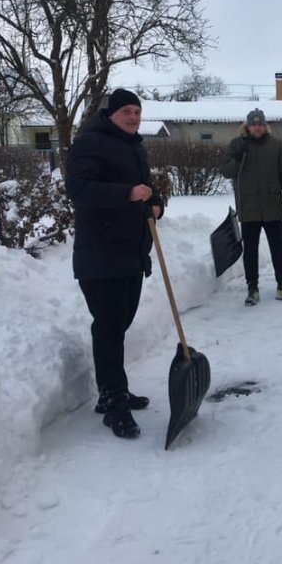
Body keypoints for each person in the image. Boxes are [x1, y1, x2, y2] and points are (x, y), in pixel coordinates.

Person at [65, 88, 164, 439]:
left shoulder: (133, 145)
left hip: (130, 253)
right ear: (110, 114)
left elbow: (145, 187)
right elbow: (79, 190)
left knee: (119, 324)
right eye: (127, 112)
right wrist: (127, 194)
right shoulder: (89, 143)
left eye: (137, 111)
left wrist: (156, 203)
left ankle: (113, 390)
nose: (134, 117)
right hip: (101, 254)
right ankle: (113, 400)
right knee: (108, 327)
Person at [221, 108, 282, 306]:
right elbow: (227, 172)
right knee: (250, 251)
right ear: (247, 126)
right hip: (248, 206)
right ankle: (252, 288)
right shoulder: (237, 144)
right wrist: (238, 157)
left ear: (265, 126)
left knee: (278, 248)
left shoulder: (276, 145)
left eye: (260, 124)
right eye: (253, 124)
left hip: (272, 205)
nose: (257, 128)